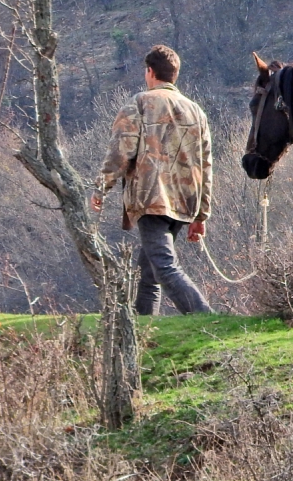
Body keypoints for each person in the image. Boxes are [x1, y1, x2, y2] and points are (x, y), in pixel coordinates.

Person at [91, 45, 214, 315]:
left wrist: (101, 187)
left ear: (150, 71)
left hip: (151, 198)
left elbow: (120, 152)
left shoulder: (139, 103)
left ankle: (205, 317)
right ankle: (146, 326)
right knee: (148, 272)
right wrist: (200, 216)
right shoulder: (197, 111)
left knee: (164, 266)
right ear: (174, 74)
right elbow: (206, 166)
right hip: (185, 202)